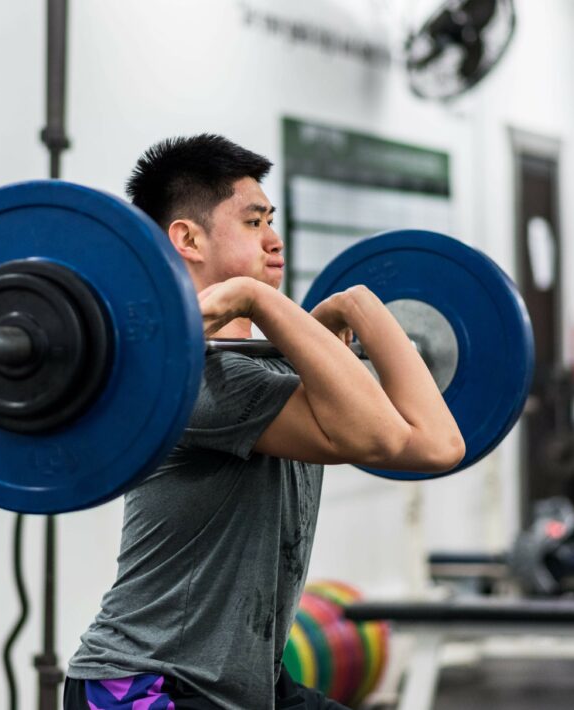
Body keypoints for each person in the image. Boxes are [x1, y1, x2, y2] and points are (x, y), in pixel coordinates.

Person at [65, 134, 464, 710]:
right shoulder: (193, 379)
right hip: (147, 684)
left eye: (271, 220)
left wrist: (358, 307)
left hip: (245, 683)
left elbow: (440, 444)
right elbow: (382, 437)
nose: (275, 241)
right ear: (188, 238)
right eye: (254, 223)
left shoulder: (267, 364)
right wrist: (260, 299)